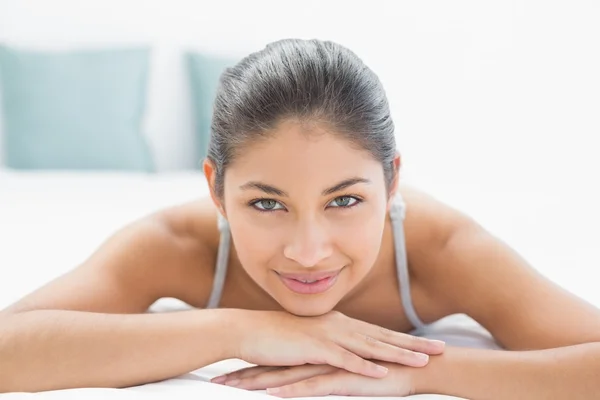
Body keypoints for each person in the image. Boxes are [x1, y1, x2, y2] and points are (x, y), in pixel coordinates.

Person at [1, 38, 600, 399]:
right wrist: (237, 331)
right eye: (266, 204)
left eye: (344, 201)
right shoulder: (176, 245)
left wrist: (415, 376)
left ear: (391, 182)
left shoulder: (438, 249)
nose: (308, 252)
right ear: (216, 189)